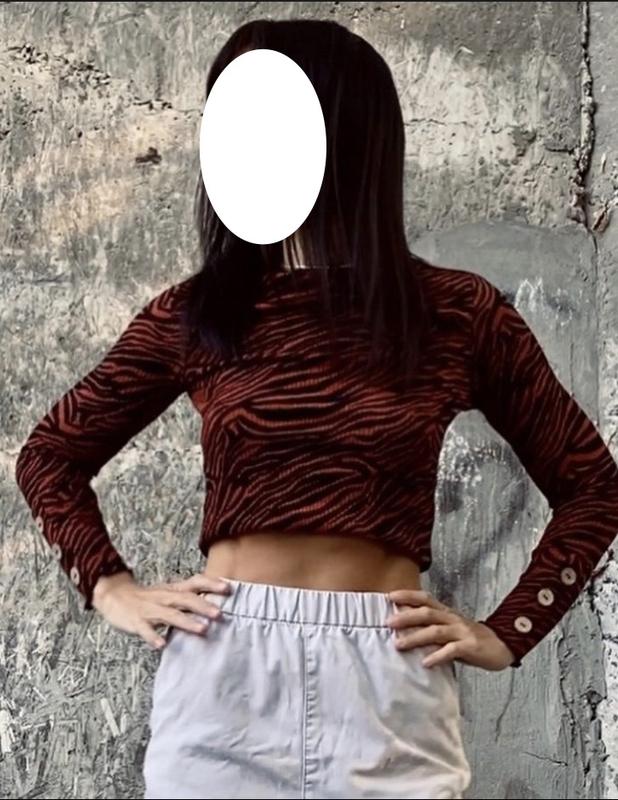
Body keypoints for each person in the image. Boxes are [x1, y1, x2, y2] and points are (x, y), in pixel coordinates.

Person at [14, 17, 618, 800]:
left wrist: (509, 632)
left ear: (346, 134)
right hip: (226, 673)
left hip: (386, 681)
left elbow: (591, 486)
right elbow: (50, 456)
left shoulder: (457, 314)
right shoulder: (198, 315)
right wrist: (107, 585)